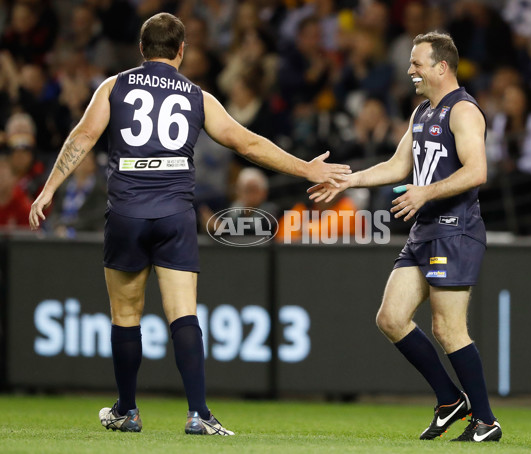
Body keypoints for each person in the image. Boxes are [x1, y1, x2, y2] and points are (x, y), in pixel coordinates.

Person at [29, 12, 350, 436]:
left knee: (125, 313)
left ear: (142, 49)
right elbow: (248, 143)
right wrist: (306, 170)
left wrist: (50, 187)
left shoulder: (114, 86)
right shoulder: (198, 96)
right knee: (183, 313)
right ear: (182, 51)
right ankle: (198, 413)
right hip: (175, 214)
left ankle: (127, 410)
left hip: (126, 211)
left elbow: (82, 137)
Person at [309, 31, 502, 442]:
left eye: (417, 63)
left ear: (441, 67)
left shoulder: (464, 111)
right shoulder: (422, 112)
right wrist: (349, 180)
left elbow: (478, 171)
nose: (410, 70)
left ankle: (486, 421)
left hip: (456, 230)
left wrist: (426, 191)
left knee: (449, 329)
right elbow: (398, 166)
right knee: (391, 318)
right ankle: (451, 400)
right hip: (425, 229)